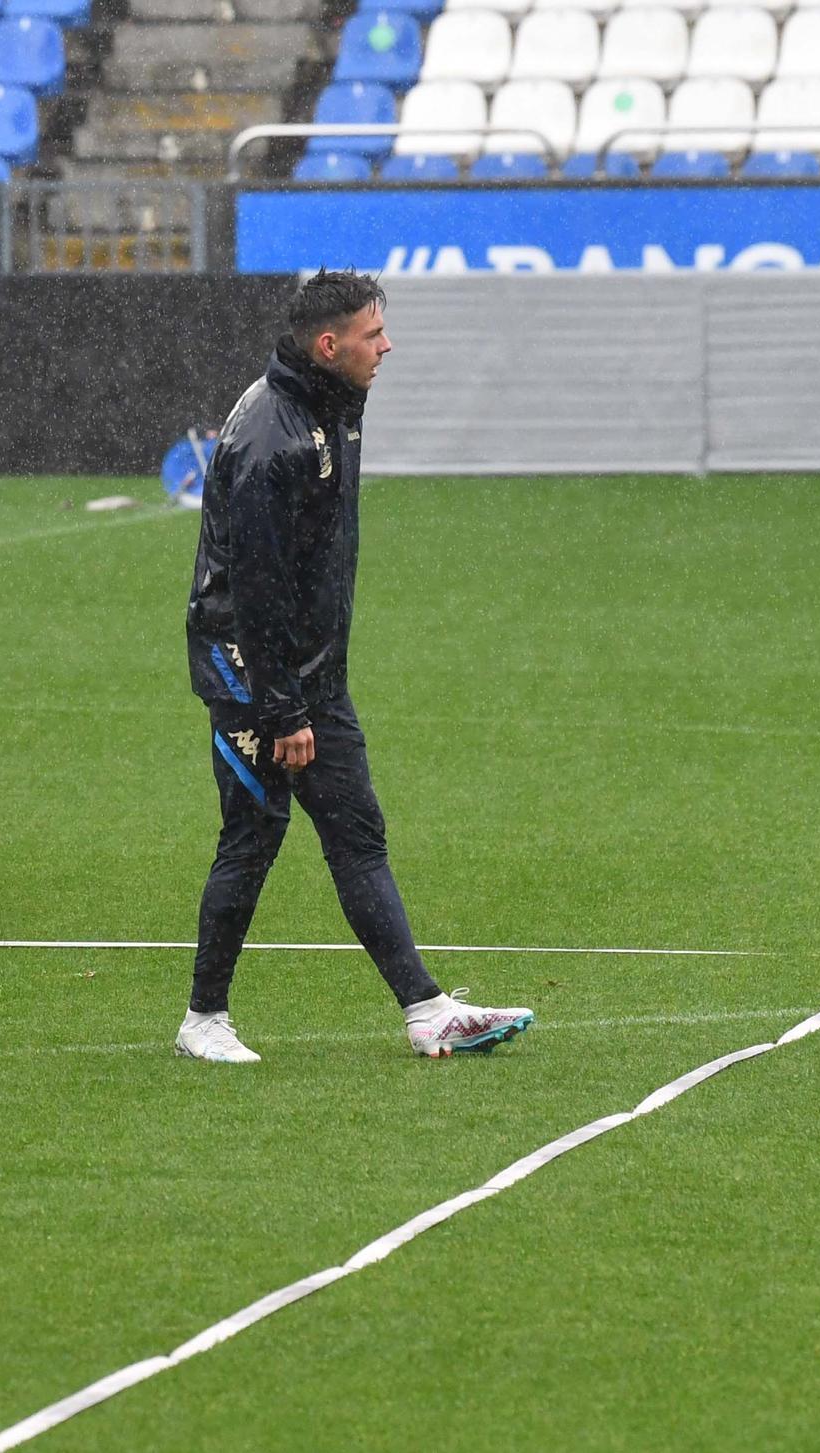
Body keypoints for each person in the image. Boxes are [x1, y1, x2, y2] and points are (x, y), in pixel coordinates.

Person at [177, 271, 532, 1063]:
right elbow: (257, 592)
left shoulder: (330, 402)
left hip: (307, 669)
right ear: (329, 346)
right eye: (374, 334)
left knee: (355, 829)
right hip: (250, 669)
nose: (388, 345)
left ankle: (426, 1008)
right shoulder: (274, 438)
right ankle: (203, 1018)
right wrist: (283, 712)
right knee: (254, 832)